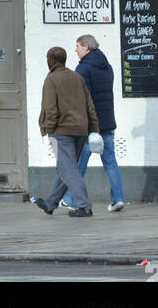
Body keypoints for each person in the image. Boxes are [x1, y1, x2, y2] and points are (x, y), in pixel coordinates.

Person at [61, 35, 125, 212]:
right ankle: (118, 198)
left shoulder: (83, 69)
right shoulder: (107, 66)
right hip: (108, 122)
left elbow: (82, 99)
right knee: (110, 162)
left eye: (78, 46)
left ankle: (71, 199)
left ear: (86, 47)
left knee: (79, 162)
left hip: (91, 125)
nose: (76, 50)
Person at [33, 46, 99, 217]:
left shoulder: (52, 79)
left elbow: (50, 108)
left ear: (52, 60)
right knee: (66, 168)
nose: (47, 61)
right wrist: (94, 128)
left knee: (69, 170)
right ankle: (50, 203)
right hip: (80, 131)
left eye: (48, 58)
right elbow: (89, 105)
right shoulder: (77, 77)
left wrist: (49, 129)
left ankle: (84, 206)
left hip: (61, 132)